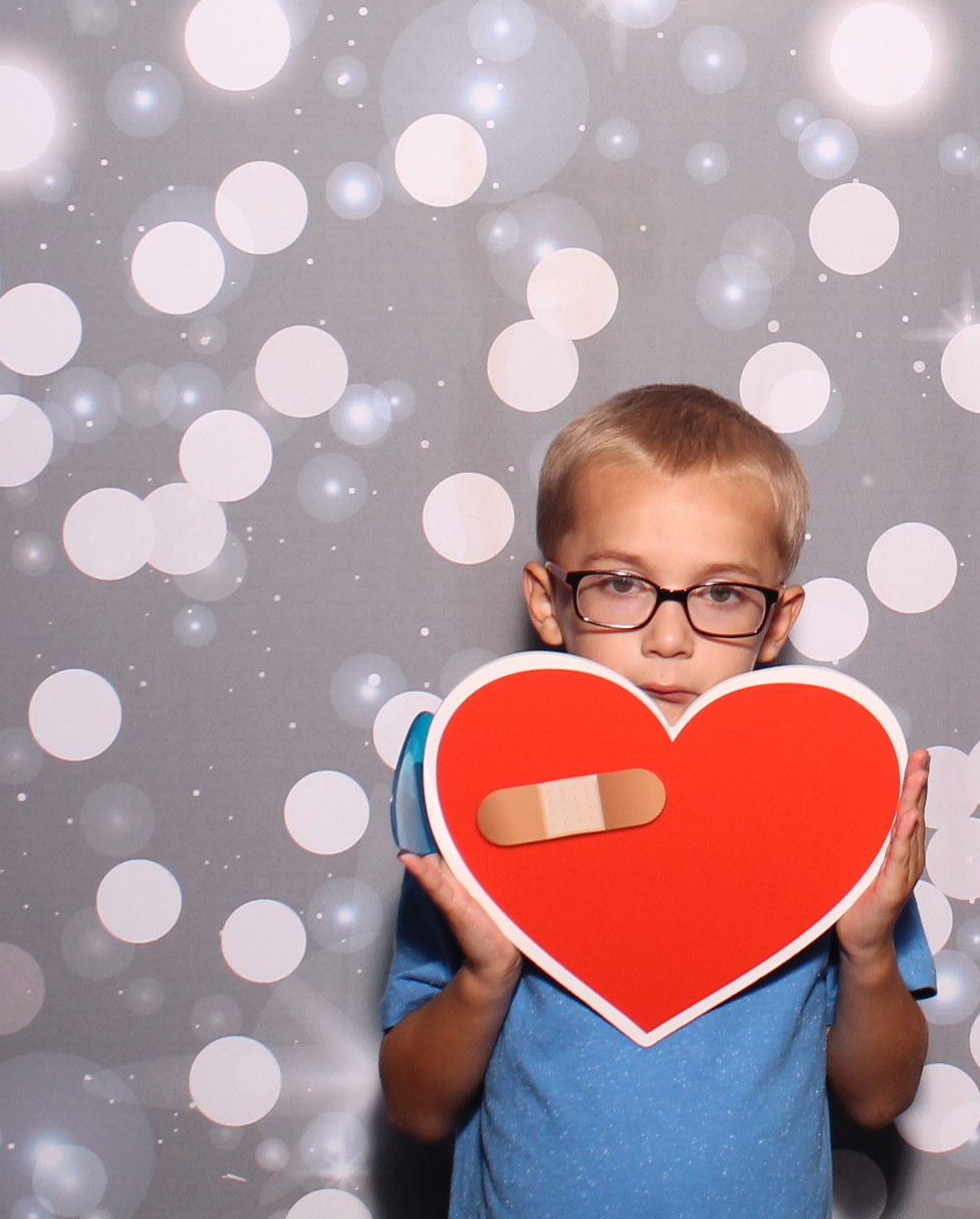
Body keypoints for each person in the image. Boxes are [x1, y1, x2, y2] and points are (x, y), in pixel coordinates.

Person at [379, 382, 935, 1217]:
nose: (668, 637)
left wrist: (868, 953)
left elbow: (879, 1097)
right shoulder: (488, 799)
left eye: (721, 594)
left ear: (776, 623)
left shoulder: (820, 812)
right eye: (621, 584)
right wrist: (486, 978)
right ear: (548, 600)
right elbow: (416, 1106)